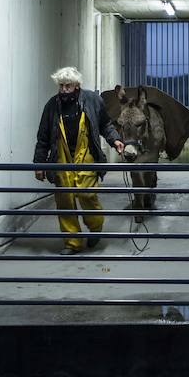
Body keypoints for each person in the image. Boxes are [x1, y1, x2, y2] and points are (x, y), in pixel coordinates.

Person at [33, 66, 124, 255]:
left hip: (87, 155)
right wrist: (39, 164)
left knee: (87, 195)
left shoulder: (92, 100)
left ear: (77, 85)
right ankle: (72, 243)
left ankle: (95, 226)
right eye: (61, 86)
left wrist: (115, 140)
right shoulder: (52, 106)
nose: (64, 89)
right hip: (61, 157)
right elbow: (42, 138)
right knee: (65, 200)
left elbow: (105, 124)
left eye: (68, 85)